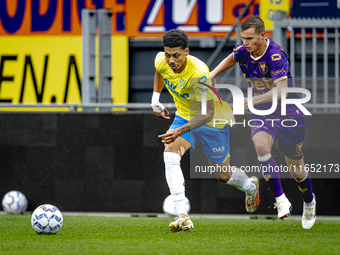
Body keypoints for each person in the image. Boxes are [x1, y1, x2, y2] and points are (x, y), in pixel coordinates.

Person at [210, 15, 316, 229]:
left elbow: (282, 91)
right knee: (260, 146)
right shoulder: (244, 50)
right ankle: (280, 199)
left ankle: (309, 202)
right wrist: (213, 73)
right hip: (263, 112)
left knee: (296, 171)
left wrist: (253, 100)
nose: (245, 42)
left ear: (263, 36)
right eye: (243, 38)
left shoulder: (275, 55)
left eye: (249, 38)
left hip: (289, 114)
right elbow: (233, 57)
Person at [151, 29, 260, 233]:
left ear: (186, 51)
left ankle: (251, 187)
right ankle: (182, 215)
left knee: (223, 176)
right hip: (184, 116)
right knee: (170, 155)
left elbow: (208, 114)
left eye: (176, 55)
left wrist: (179, 130)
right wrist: (155, 100)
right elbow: (160, 71)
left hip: (212, 121)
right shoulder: (161, 60)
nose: (171, 60)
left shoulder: (199, 74)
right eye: (168, 54)